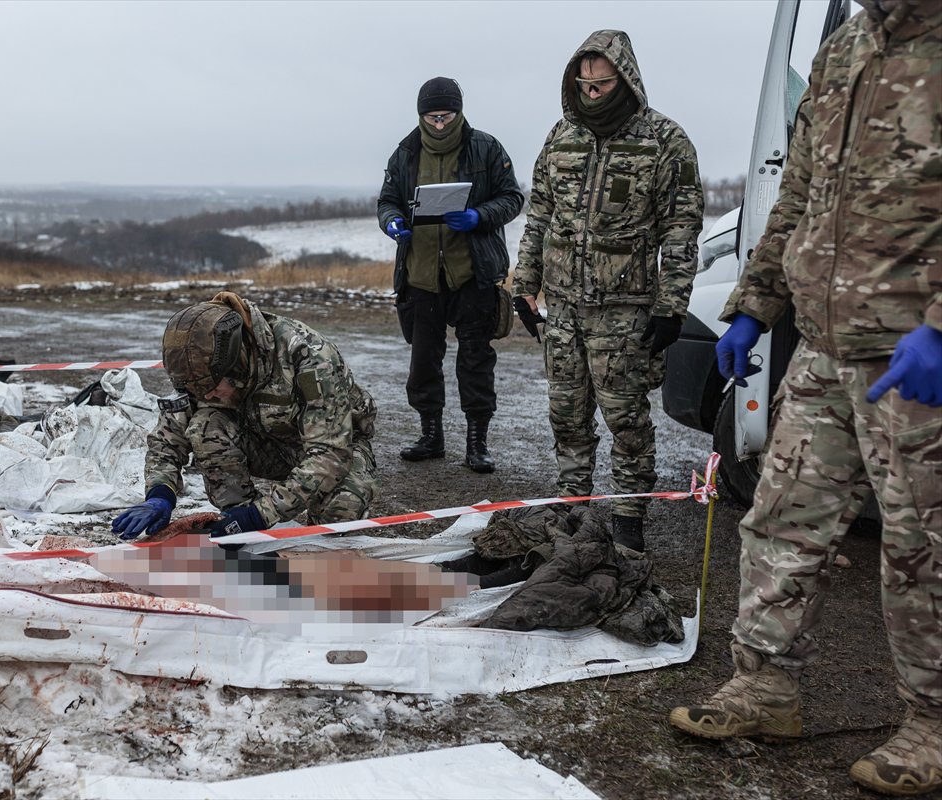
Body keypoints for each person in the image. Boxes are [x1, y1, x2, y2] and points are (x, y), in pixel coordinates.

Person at [668, 1, 941, 795]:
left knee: (921, 544)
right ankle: (764, 687)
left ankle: (932, 724)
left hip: (915, 353)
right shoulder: (847, 43)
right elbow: (801, 187)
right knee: (782, 515)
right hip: (825, 344)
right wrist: (755, 305)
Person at [512, 31, 704, 551]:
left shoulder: (665, 140)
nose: (592, 92)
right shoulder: (561, 137)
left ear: (625, 78)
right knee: (566, 413)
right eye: (584, 83)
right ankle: (571, 509)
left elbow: (682, 231)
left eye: (602, 83)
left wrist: (672, 307)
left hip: (626, 312)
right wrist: (523, 286)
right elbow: (540, 218)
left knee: (626, 419)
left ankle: (627, 520)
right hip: (564, 307)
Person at [111, 291, 378, 541]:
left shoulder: (309, 357)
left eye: (213, 389)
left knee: (341, 511)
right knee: (206, 425)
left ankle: (259, 523)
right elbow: (167, 441)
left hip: (335, 450)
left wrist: (260, 514)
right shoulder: (200, 364)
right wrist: (160, 494)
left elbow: (329, 455)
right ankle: (237, 525)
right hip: (264, 445)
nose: (208, 396)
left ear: (236, 363)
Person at [378, 76, 524, 474]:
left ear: (459, 112)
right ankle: (431, 435)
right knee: (423, 361)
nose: (439, 124)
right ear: (420, 115)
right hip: (420, 276)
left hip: (472, 275)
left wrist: (480, 216)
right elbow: (387, 201)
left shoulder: (486, 147)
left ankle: (477, 443)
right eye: (432, 116)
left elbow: (512, 198)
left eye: (446, 116)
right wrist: (392, 222)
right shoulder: (405, 153)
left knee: (476, 361)